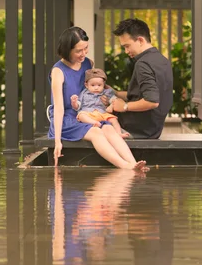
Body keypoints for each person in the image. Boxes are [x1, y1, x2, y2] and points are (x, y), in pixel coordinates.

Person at [48, 26, 148, 170]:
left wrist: (107, 100)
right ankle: (125, 166)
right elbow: (58, 107)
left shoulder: (88, 63)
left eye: (85, 48)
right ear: (66, 49)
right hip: (67, 119)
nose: (83, 54)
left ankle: (133, 163)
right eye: (78, 51)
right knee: (96, 132)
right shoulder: (58, 71)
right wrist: (57, 141)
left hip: (89, 113)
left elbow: (95, 90)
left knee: (108, 128)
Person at [108, 18, 173, 139]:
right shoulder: (163, 61)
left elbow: (152, 101)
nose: (126, 51)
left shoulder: (143, 64)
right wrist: (115, 93)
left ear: (140, 40)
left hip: (136, 129)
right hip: (153, 129)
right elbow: (143, 94)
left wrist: (124, 106)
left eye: (127, 46)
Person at [70, 67, 130, 137]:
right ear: (86, 85)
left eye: (99, 85)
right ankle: (94, 122)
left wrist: (111, 106)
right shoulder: (84, 93)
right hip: (88, 113)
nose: (96, 88)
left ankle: (119, 133)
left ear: (104, 84)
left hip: (102, 113)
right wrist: (74, 102)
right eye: (93, 85)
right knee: (81, 115)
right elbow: (78, 106)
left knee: (114, 119)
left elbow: (115, 100)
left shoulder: (107, 93)